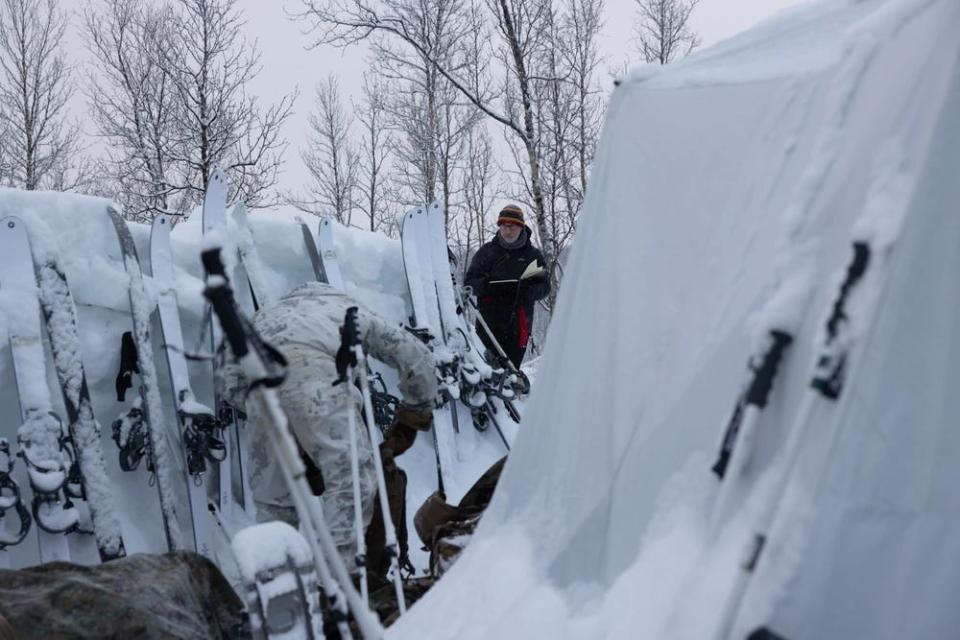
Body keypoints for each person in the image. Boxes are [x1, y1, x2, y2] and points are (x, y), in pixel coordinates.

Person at [218, 282, 437, 572]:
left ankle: (279, 585)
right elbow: (414, 354)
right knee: (351, 486)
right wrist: (417, 409)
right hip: (322, 382)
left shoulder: (264, 316)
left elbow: (227, 376)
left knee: (275, 503)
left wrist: (263, 408)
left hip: (262, 393)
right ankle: (341, 582)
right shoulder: (349, 310)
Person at [465, 204, 550, 369]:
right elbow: (469, 284)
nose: (507, 231)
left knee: (511, 371)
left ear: (521, 227)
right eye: (503, 226)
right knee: (487, 371)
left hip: (519, 324)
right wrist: (489, 286)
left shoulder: (532, 255)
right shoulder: (486, 253)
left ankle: (513, 393)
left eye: (511, 226)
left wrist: (528, 290)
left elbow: (545, 287)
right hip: (488, 324)